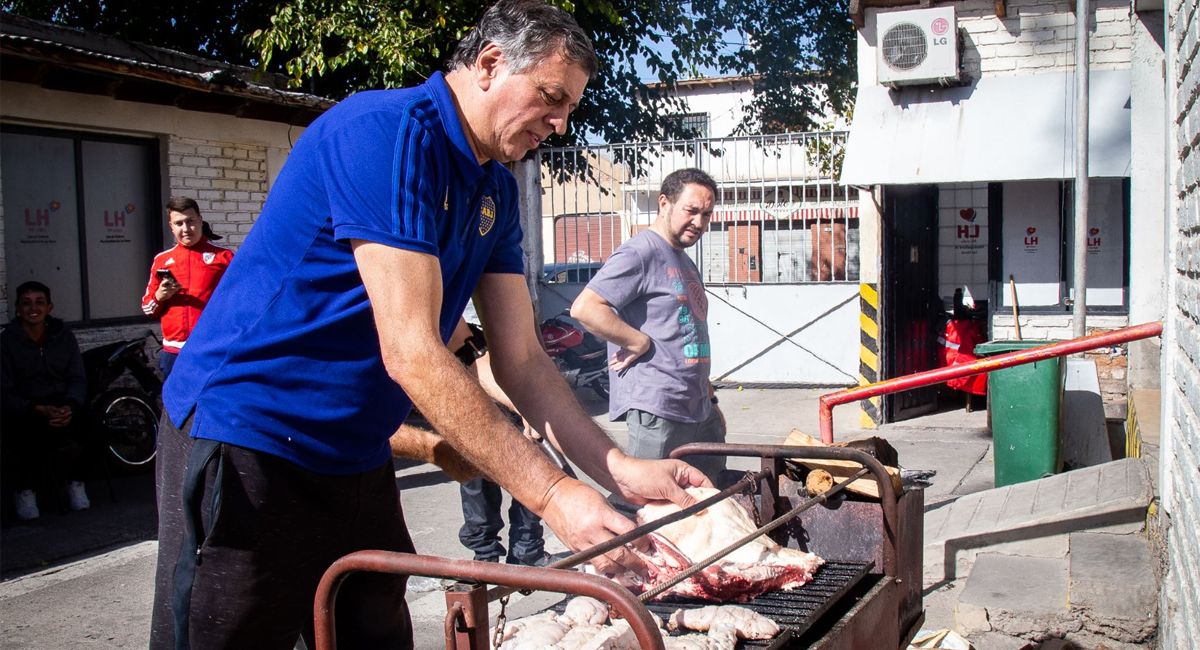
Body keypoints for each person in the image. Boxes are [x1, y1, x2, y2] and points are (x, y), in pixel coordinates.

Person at [149, 2, 709, 648]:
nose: (558, 125)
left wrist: (616, 469)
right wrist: (553, 495)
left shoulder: (494, 191)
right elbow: (412, 351)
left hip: (352, 454)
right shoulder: (384, 135)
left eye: (569, 110)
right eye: (551, 98)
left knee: (375, 637)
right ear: (492, 64)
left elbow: (521, 359)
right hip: (248, 436)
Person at [571, 168, 728, 499]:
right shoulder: (640, 252)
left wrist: (708, 394)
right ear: (664, 203)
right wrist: (637, 340)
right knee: (650, 507)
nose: (699, 223)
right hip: (659, 409)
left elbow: (683, 327)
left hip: (698, 406)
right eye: (691, 211)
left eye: (707, 214)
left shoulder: (682, 259)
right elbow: (586, 307)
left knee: (705, 504)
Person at [1, 281, 91, 518]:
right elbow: (4, 388)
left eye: (39, 302)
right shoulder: (7, 342)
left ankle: (76, 482)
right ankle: (26, 490)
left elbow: (77, 377)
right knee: (20, 430)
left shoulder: (64, 336)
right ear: (18, 309)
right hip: (28, 405)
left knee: (88, 422)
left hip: (62, 402)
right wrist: (36, 408)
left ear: (49, 307)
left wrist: (70, 405)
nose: (34, 308)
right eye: (26, 303)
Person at [140, 196, 233, 378]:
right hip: (174, 355)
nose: (185, 229)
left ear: (200, 220)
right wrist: (160, 296)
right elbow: (148, 309)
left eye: (190, 221)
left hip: (211, 351)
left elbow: (240, 304)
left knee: (210, 406)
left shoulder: (224, 257)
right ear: (171, 226)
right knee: (177, 407)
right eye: (179, 223)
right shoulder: (162, 261)